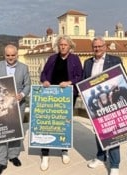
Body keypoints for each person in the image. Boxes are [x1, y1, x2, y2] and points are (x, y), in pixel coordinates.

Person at [82, 37, 127, 175]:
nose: (97, 49)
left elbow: (125, 78)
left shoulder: (114, 60)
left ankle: (115, 164)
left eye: (100, 46)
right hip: (97, 104)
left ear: (105, 46)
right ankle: (100, 157)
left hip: (112, 102)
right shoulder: (87, 63)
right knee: (99, 131)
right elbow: (84, 81)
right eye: (95, 46)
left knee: (113, 132)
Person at [39, 35, 83, 171]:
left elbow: (80, 76)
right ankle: (45, 153)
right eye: (61, 45)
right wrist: (45, 81)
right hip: (51, 95)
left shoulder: (75, 59)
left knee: (64, 123)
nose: (63, 47)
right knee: (48, 122)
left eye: (65, 45)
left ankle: (64, 150)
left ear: (70, 46)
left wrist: (69, 82)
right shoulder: (52, 58)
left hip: (67, 95)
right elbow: (43, 74)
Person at [0, 44, 31, 175]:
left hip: (18, 104)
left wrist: (22, 95)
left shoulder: (24, 68)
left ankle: (13, 155)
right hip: (0, 106)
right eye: (8, 55)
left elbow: (27, 85)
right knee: (0, 132)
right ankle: (1, 162)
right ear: (4, 55)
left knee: (15, 131)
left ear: (17, 55)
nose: (11, 57)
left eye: (13, 55)